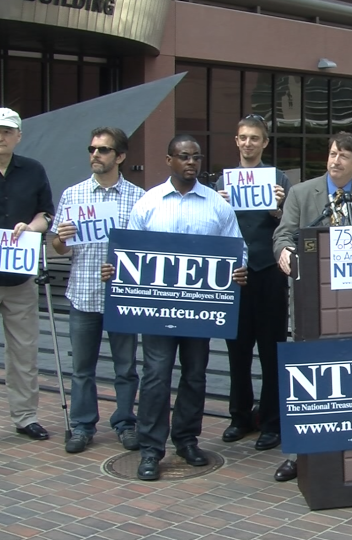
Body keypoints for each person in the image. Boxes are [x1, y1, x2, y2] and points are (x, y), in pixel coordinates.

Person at [104, 135, 247, 481]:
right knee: (156, 376)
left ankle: (186, 440)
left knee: (195, 375)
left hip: (199, 310)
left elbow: (238, 247)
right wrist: (115, 267)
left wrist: (239, 268)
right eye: (183, 157)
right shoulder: (149, 203)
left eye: (196, 157)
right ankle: (151, 449)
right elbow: (129, 250)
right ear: (169, 160)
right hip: (157, 311)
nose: (191, 163)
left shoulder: (217, 205)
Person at [271, 131, 352, 481]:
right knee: (309, 374)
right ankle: (300, 453)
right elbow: (283, 234)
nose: (335, 161)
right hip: (313, 300)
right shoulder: (302, 193)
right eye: (332, 153)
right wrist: (284, 252)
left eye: (343, 156)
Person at [51, 127, 144, 453]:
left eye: (103, 150)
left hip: (122, 296)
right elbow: (58, 248)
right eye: (92, 149)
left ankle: (124, 422)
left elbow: (144, 250)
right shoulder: (72, 195)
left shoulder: (139, 198)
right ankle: (82, 426)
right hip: (84, 292)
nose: (95, 155)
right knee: (82, 369)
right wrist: (61, 237)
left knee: (126, 368)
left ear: (119, 156)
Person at [216, 115, 289, 451]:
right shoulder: (223, 183)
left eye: (255, 138)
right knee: (238, 351)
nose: (248, 143)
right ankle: (239, 417)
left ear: (265, 143)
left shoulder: (279, 180)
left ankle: (272, 423)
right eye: (243, 137)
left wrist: (280, 210)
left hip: (270, 272)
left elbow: (290, 227)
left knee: (271, 351)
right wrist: (221, 207)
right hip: (235, 275)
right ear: (236, 141)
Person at [0, 108, 54, 441]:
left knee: (23, 350)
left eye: (7, 131)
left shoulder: (33, 170)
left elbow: (46, 213)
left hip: (19, 276)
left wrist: (31, 227)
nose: (0, 136)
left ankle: (25, 416)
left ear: (19, 136)